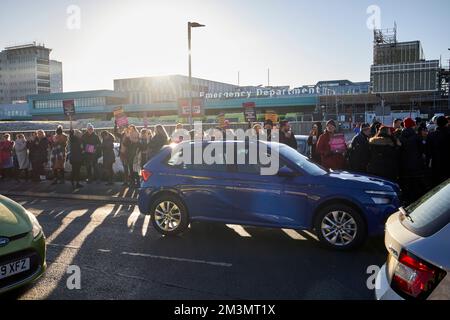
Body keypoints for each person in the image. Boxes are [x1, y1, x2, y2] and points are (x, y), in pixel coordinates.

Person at [399, 118, 428, 205]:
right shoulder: (416, 137)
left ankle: (407, 200)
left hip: (404, 164)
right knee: (416, 183)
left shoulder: (400, 137)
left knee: (406, 184)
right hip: (416, 163)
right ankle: (416, 200)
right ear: (412, 125)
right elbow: (422, 149)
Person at [426, 116, 450, 187]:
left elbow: (428, 151)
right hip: (448, 163)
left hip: (436, 163)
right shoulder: (448, 133)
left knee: (437, 186)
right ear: (446, 123)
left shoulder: (431, 135)